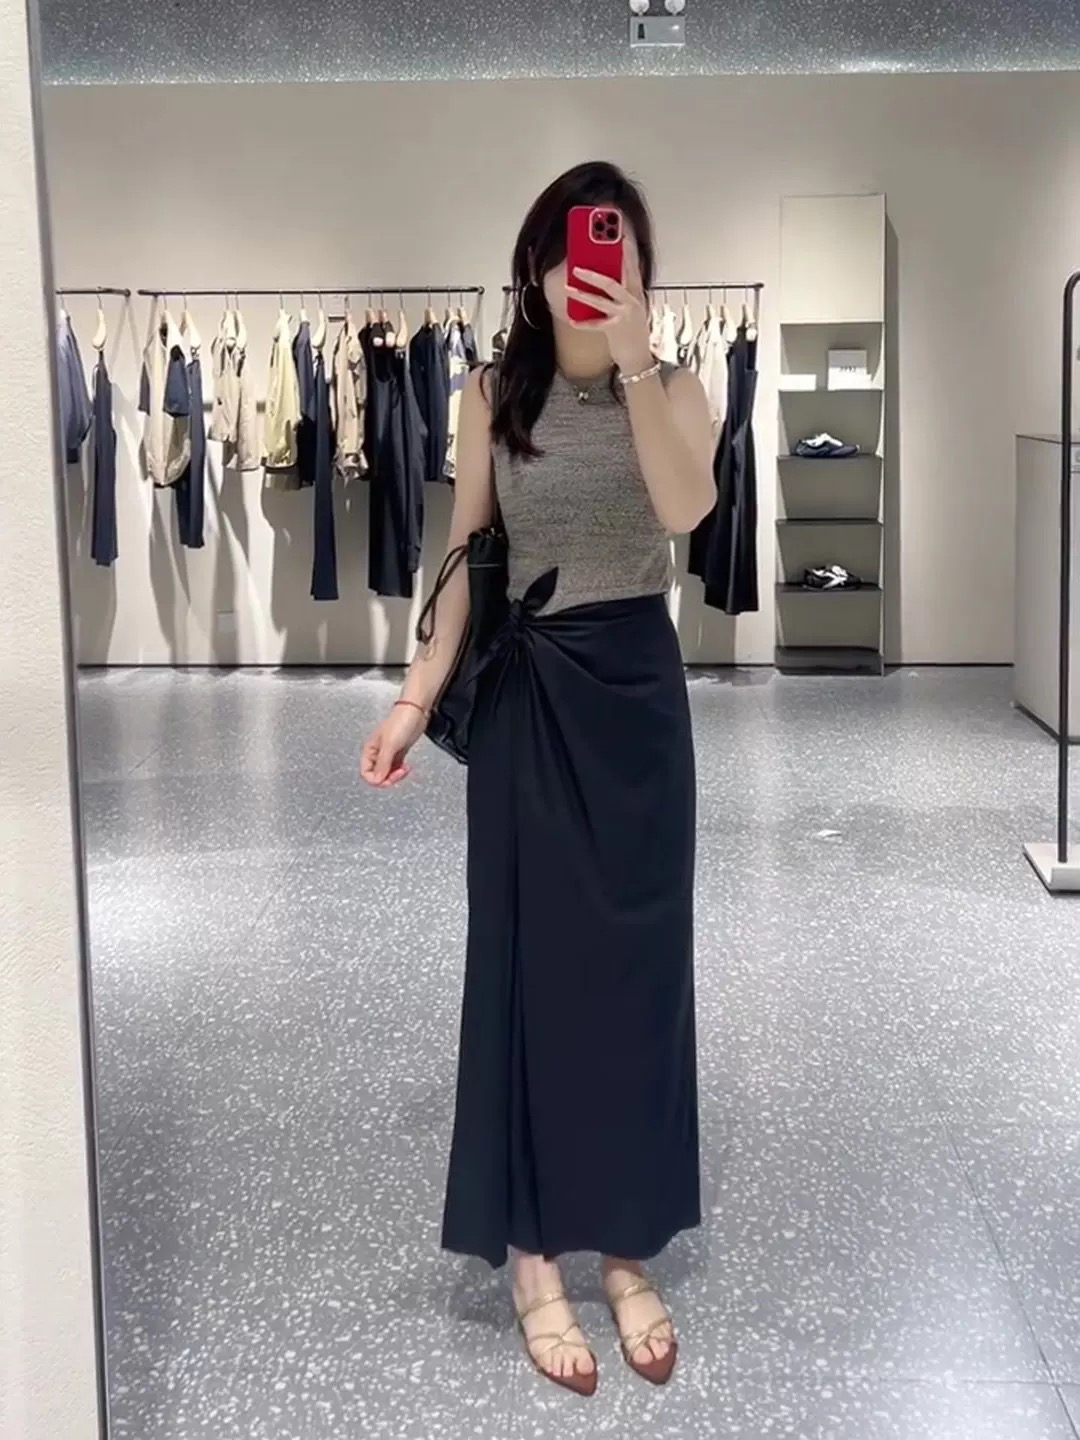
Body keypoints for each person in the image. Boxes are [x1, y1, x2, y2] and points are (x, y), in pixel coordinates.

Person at [361, 161, 713, 1396]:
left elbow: (684, 507)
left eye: (614, 251)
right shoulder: (486, 397)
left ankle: (626, 1243)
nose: (588, 272)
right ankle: (530, 1259)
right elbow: (466, 554)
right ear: (533, 267)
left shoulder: (680, 389)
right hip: (529, 700)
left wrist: (636, 361)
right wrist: (415, 696)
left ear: (640, 272)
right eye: (570, 251)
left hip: (639, 704)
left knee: (639, 980)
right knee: (524, 975)